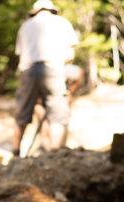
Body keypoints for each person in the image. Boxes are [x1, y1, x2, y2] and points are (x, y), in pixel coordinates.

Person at [13, 0, 78, 156]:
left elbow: (20, 53)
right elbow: (70, 54)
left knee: (22, 113)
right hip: (53, 69)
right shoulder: (62, 23)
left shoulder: (26, 26)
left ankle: (15, 151)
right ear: (52, 10)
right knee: (58, 114)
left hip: (28, 71)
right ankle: (55, 152)